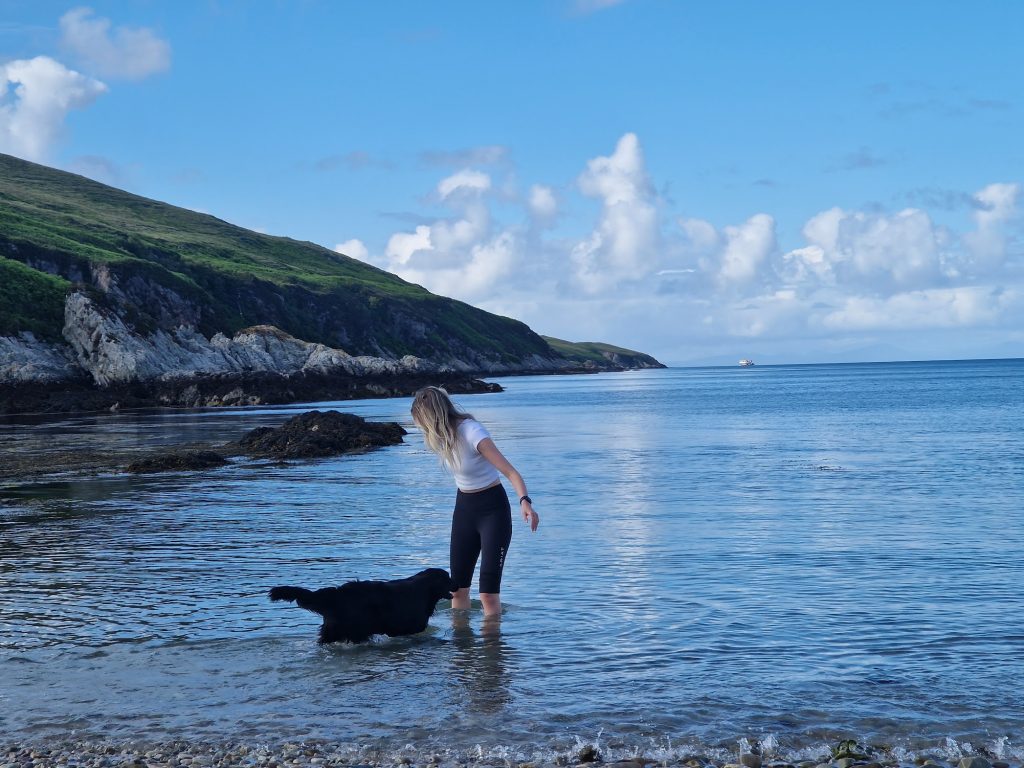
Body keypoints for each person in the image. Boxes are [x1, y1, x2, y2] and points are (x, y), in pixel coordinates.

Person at [410, 386, 539, 618]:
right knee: (457, 590)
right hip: (464, 510)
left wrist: (525, 501)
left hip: (493, 511)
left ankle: (492, 651)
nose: (421, 428)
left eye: (422, 422)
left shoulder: (472, 432)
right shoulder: (444, 437)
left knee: (488, 594)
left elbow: (511, 472)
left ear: (433, 417)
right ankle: (462, 652)